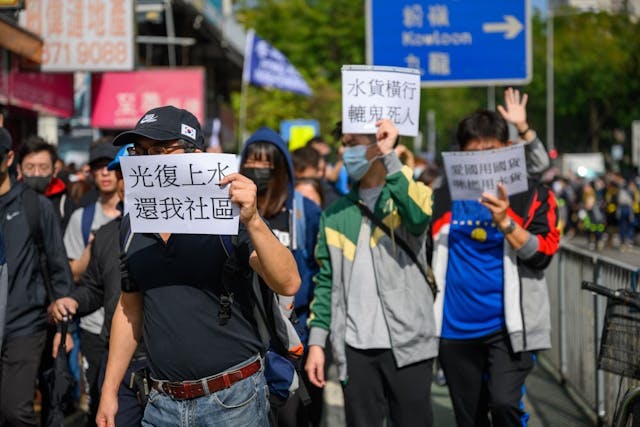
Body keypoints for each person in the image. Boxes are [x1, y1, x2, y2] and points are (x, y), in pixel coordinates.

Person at [96, 105, 300, 426]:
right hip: (162, 403)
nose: (149, 160)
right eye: (141, 151)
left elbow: (288, 283)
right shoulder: (132, 223)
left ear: (197, 154)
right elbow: (129, 309)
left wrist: (254, 219)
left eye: (161, 149)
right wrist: (108, 391)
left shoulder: (229, 213)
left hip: (234, 400)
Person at [430, 110, 559, 426]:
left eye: (491, 153)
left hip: (508, 330)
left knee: (504, 406)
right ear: (460, 156)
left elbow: (542, 254)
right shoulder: (441, 198)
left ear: (507, 150)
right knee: (469, 418)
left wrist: (506, 223)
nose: (482, 163)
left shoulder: (530, 195)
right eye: (473, 155)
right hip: (454, 332)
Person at [305, 119, 436, 427]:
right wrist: (316, 343)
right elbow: (326, 284)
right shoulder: (333, 215)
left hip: (409, 344)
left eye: (352, 144)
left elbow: (417, 218)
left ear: (379, 144)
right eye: (343, 144)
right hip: (354, 350)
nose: (344, 151)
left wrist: (391, 157)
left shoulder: (412, 194)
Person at [50, 144, 148, 426]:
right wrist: (74, 301)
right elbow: (93, 287)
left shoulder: (179, 233)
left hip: (168, 367)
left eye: (140, 174)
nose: (131, 183)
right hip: (119, 361)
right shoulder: (106, 235)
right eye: (124, 176)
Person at [239, 128, 322, 426]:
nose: (257, 169)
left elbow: (321, 272)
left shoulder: (305, 211)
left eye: (265, 163)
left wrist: (318, 340)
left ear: (282, 168)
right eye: (250, 161)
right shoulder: (231, 211)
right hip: (248, 336)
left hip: (296, 337)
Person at [0, 127, 74, 426]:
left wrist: (64, 328)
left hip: (24, 325)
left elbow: (58, 265)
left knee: (15, 411)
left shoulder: (35, 206)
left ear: (8, 159)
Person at [63, 139, 120, 425]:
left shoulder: (141, 216)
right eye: (100, 168)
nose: (107, 173)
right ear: (92, 174)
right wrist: (94, 246)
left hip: (131, 329)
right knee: (99, 401)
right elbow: (74, 273)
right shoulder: (81, 219)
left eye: (112, 167)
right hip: (94, 328)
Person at [17, 135, 76, 231]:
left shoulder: (65, 206)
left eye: (43, 167)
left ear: (55, 171)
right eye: (30, 167)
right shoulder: (9, 203)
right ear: (19, 170)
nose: (36, 173)